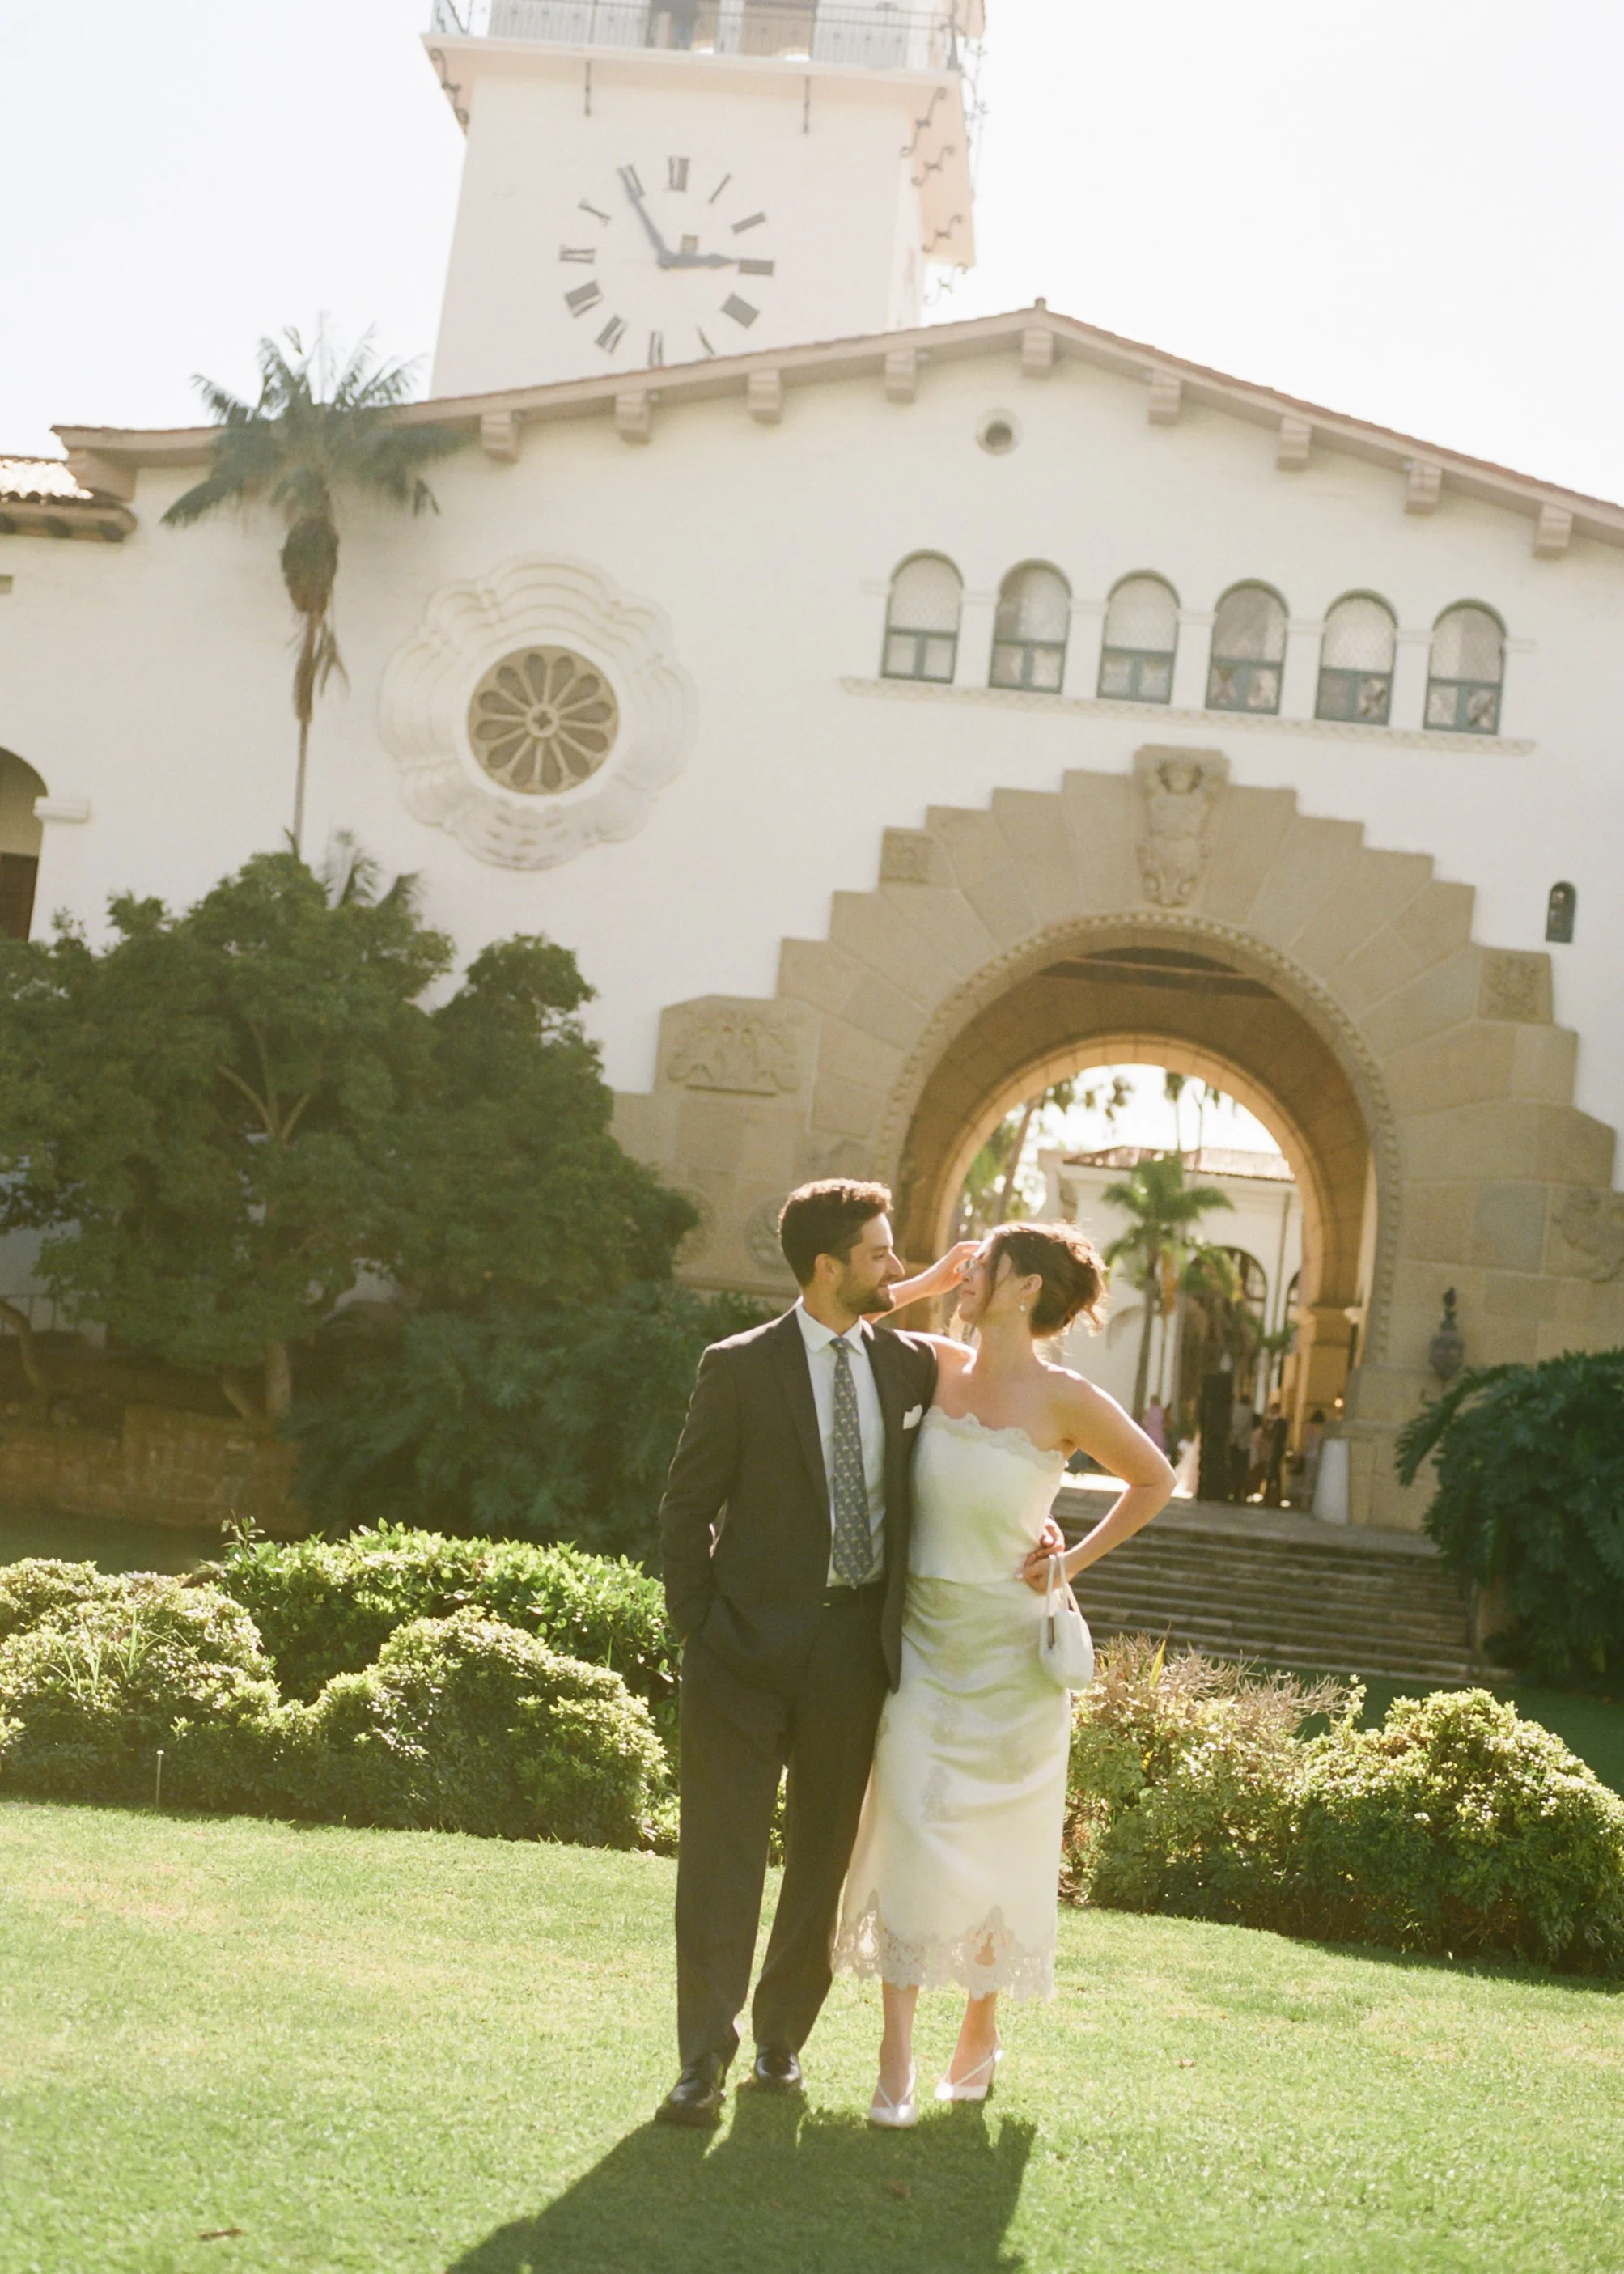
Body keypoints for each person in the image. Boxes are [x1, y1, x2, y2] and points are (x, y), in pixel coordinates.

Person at [652, 1180, 1061, 2128]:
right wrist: (698, 1624)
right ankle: (701, 2060)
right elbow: (685, 1506)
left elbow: (993, 1433)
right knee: (719, 1859)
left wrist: (1034, 1530)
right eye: (880, 1253)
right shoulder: (738, 1366)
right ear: (826, 1265)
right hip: (738, 1655)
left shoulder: (909, 1366)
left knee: (822, 1861)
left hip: (854, 1653)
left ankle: (781, 2040)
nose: (897, 1265)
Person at [833, 1222, 1176, 2125]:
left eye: (985, 1263)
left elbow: (1153, 1479)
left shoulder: (1069, 1398)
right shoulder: (936, 1365)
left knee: (999, 1849)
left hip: (1014, 1662)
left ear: (1027, 1288)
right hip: (921, 1647)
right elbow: (844, 1326)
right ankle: (895, 2058)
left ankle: (979, 2035)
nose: (968, 1271)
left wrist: (1070, 1561)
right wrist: (925, 1284)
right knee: (906, 1828)